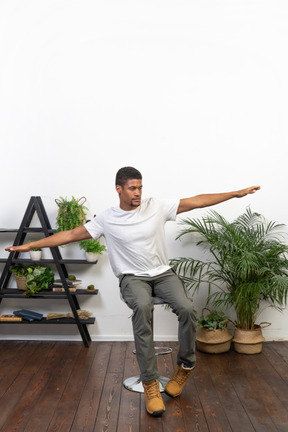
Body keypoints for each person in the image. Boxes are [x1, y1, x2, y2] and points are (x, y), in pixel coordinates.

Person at [6, 167, 260, 417]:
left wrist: (235, 193)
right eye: (132, 188)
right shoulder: (107, 218)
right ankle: (151, 385)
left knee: (187, 308)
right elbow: (71, 234)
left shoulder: (155, 206)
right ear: (119, 189)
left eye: (140, 187)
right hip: (132, 278)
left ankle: (185, 367)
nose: (138, 192)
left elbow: (196, 201)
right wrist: (31, 244)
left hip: (162, 273)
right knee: (142, 306)